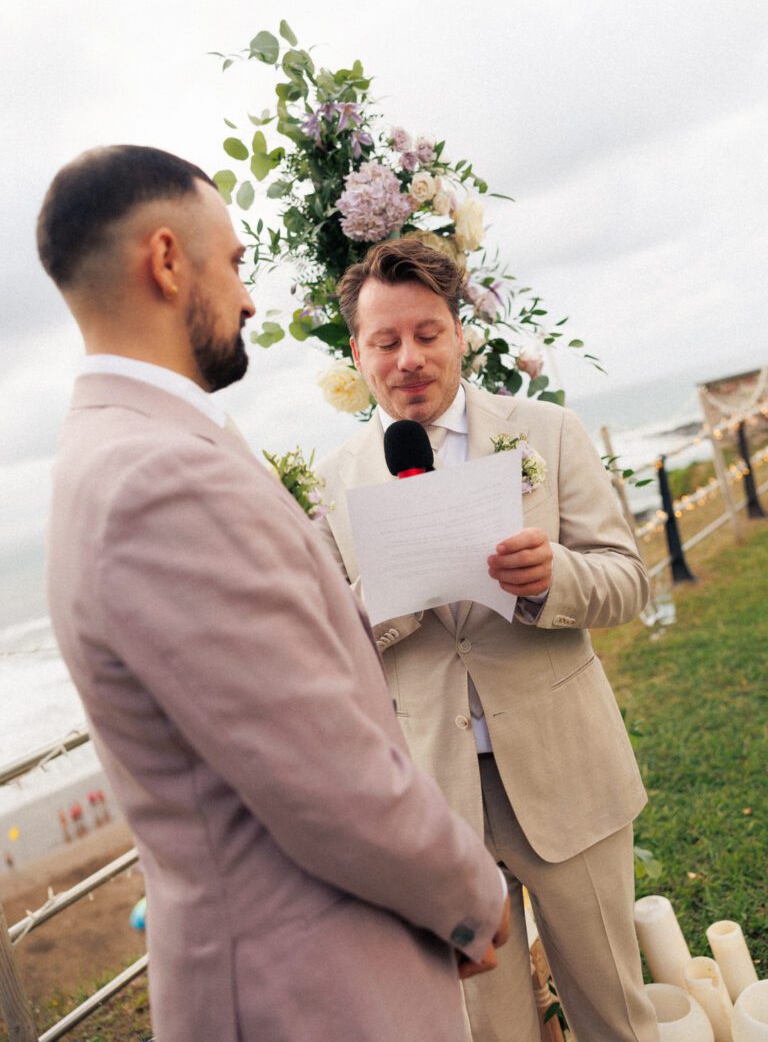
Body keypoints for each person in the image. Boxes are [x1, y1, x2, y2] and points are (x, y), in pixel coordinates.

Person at [38, 147, 510, 1042]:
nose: (250, 298)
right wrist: (468, 893)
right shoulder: (156, 476)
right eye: (237, 263)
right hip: (308, 990)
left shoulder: (113, 449)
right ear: (169, 261)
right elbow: (321, 770)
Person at [316, 238, 660, 1042]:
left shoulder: (548, 430)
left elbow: (628, 581)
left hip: (567, 771)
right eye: (385, 341)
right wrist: (387, 604)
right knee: (487, 1033)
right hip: (436, 807)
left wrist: (551, 579)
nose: (409, 358)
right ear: (358, 352)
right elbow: (330, 657)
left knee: (617, 1014)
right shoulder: (332, 482)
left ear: (461, 332)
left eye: (428, 333)